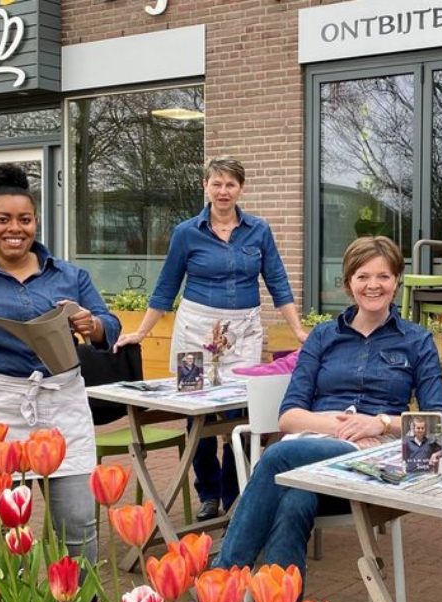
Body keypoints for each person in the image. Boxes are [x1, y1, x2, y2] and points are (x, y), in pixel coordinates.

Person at [215, 236, 442, 575]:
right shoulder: (323, 337)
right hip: (314, 456)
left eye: (383, 276)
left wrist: (379, 423)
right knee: (294, 500)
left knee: (277, 456)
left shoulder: (417, 341)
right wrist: (346, 431)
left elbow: (440, 421)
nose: (373, 285)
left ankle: (221, 582)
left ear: (396, 281)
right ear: (348, 283)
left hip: (376, 462)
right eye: (363, 276)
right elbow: (289, 416)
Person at [0, 163, 120, 562]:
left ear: (36, 223)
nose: (15, 229)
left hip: (61, 407)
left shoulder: (70, 275)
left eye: (25, 220)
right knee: (4, 528)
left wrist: (93, 323)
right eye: (3, 220)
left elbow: (110, 327)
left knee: (78, 523)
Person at [114, 157, 309, 521]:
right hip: (195, 329)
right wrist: (141, 331)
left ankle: (234, 492)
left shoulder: (259, 230)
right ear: (206, 186)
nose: (223, 191)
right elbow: (166, 286)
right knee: (196, 410)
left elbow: (278, 281)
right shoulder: (186, 233)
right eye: (217, 184)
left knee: (240, 412)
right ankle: (207, 493)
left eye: (230, 185)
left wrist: (298, 330)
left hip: (244, 332)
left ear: (241, 189)